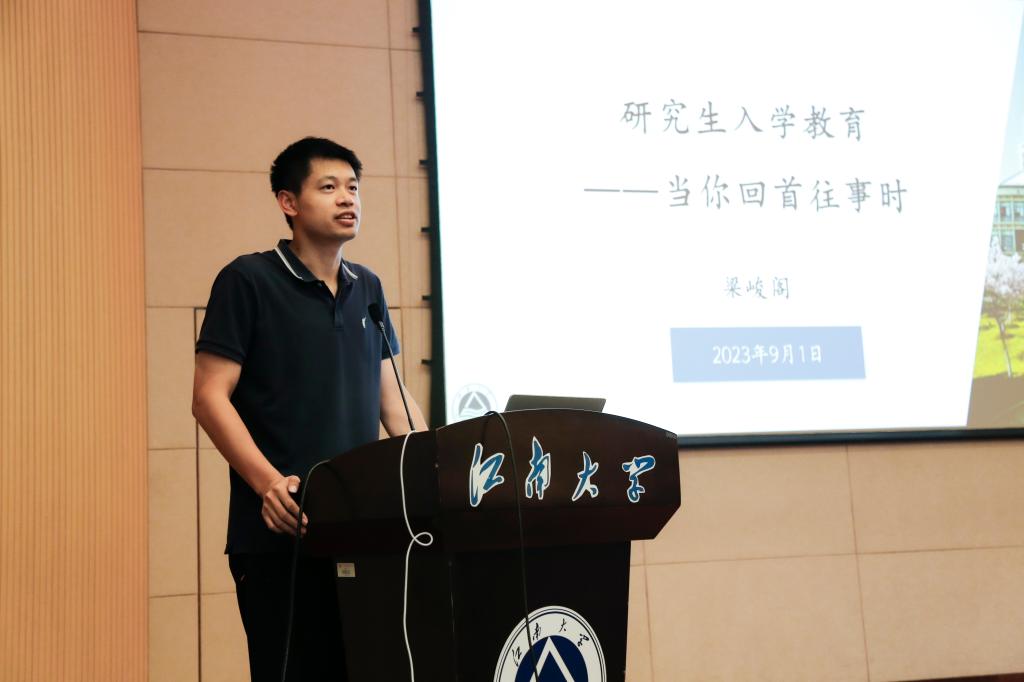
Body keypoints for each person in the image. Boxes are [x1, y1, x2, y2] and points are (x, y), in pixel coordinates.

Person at [192, 136, 427, 681]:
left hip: (360, 533)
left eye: (353, 187)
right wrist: (269, 484)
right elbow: (208, 397)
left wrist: (439, 468)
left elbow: (393, 403)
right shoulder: (248, 280)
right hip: (281, 534)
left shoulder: (367, 287)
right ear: (288, 202)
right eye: (328, 187)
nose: (347, 198)